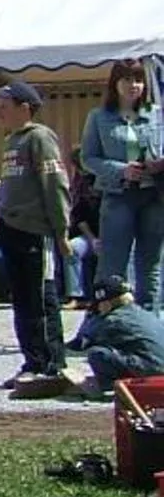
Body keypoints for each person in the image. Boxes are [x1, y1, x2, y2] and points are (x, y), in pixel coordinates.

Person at [0, 81, 73, 389]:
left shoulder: (39, 138)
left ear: (25, 107)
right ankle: (32, 359)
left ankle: (47, 363)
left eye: (4, 106)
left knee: (39, 298)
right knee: (22, 299)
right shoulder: (13, 141)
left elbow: (55, 185)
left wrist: (62, 230)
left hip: (35, 231)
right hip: (12, 229)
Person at [82, 61, 163, 310]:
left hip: (153, 195)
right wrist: (121, 170)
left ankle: (150, 325)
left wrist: (157, 163)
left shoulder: (156, 113)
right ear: (115, 83)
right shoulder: (98, 117)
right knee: (112, 265)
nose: (133, 86)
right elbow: (88, 158)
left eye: (138, 80)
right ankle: (106, 324)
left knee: (150, 265)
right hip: (118, 195)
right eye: (127, 79)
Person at [23, 274, 164, 400]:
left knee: (97, 353)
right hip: (158, 366)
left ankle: (110, 389)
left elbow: (81, 344)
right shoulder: (144, 313)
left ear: (106, 303)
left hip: (154, 370)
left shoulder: (112, 320)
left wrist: (93, 316)